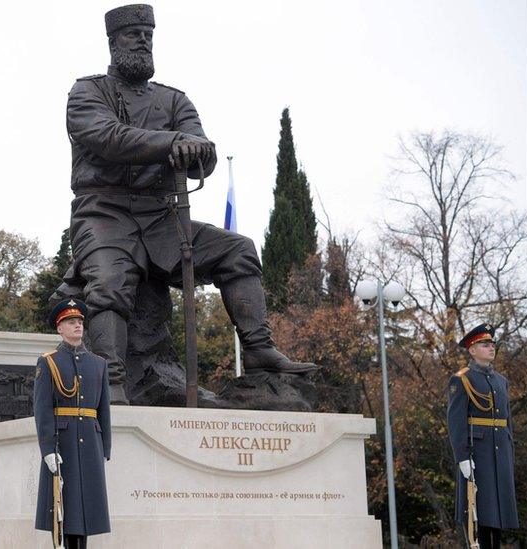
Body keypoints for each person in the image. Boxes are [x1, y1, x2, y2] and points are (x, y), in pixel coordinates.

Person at [53, 4, 316, 404]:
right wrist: (172, 143)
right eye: (133, 35)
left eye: (148, 36)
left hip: (161, 217)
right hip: (104, 213)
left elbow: (203, 150)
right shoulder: (87, 92)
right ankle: (110, 381)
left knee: (238, 249)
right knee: (108, 284)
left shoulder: (174, 100)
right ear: (112, 42)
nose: (143, 41)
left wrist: (197, 153)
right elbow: (108, 137)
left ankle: (259, 349)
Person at [34, 298, 111, 549]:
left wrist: (105, 447)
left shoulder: (99, 364)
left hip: (90, 442)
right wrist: (47, 450)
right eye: (70, 321)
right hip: (62, 443)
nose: (77, 325)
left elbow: (103, 409)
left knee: (86, 508)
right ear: (60, 328)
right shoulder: (49, 361)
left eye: (79, 321)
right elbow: (42, 409)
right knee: (64, 508)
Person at [447, 323, 517, 549]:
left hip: (500, 450)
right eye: (485, 344)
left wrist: (509, 448)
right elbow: (456, 421)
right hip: (479, 452)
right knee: (480, 510)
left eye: (492, 344)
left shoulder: (501, 381)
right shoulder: (462, 379)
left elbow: (507, 421)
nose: (491, 348)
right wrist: (462, 457)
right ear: (472, 349)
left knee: (499, 511)